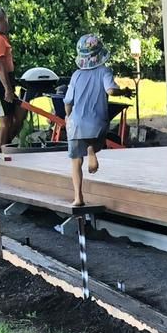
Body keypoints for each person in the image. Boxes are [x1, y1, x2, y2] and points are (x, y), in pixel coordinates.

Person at [63, 33, 119, 206]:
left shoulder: (76, 75)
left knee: (75, 161)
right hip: (97, 122)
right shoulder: (104, 71)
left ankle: (78, 197)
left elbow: (68, 101)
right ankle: (92, 149)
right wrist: (122, 91)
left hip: (76, 124)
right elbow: (110, 90)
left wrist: (67, 116)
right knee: (96, 140)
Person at [0, 7, 25, 150]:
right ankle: (0, 151)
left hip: (3, 82)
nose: (7, 24)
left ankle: (7, 144)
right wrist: (7, 89)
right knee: (5, 121)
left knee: (19, 113)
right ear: (1, 19)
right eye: (6, 20)